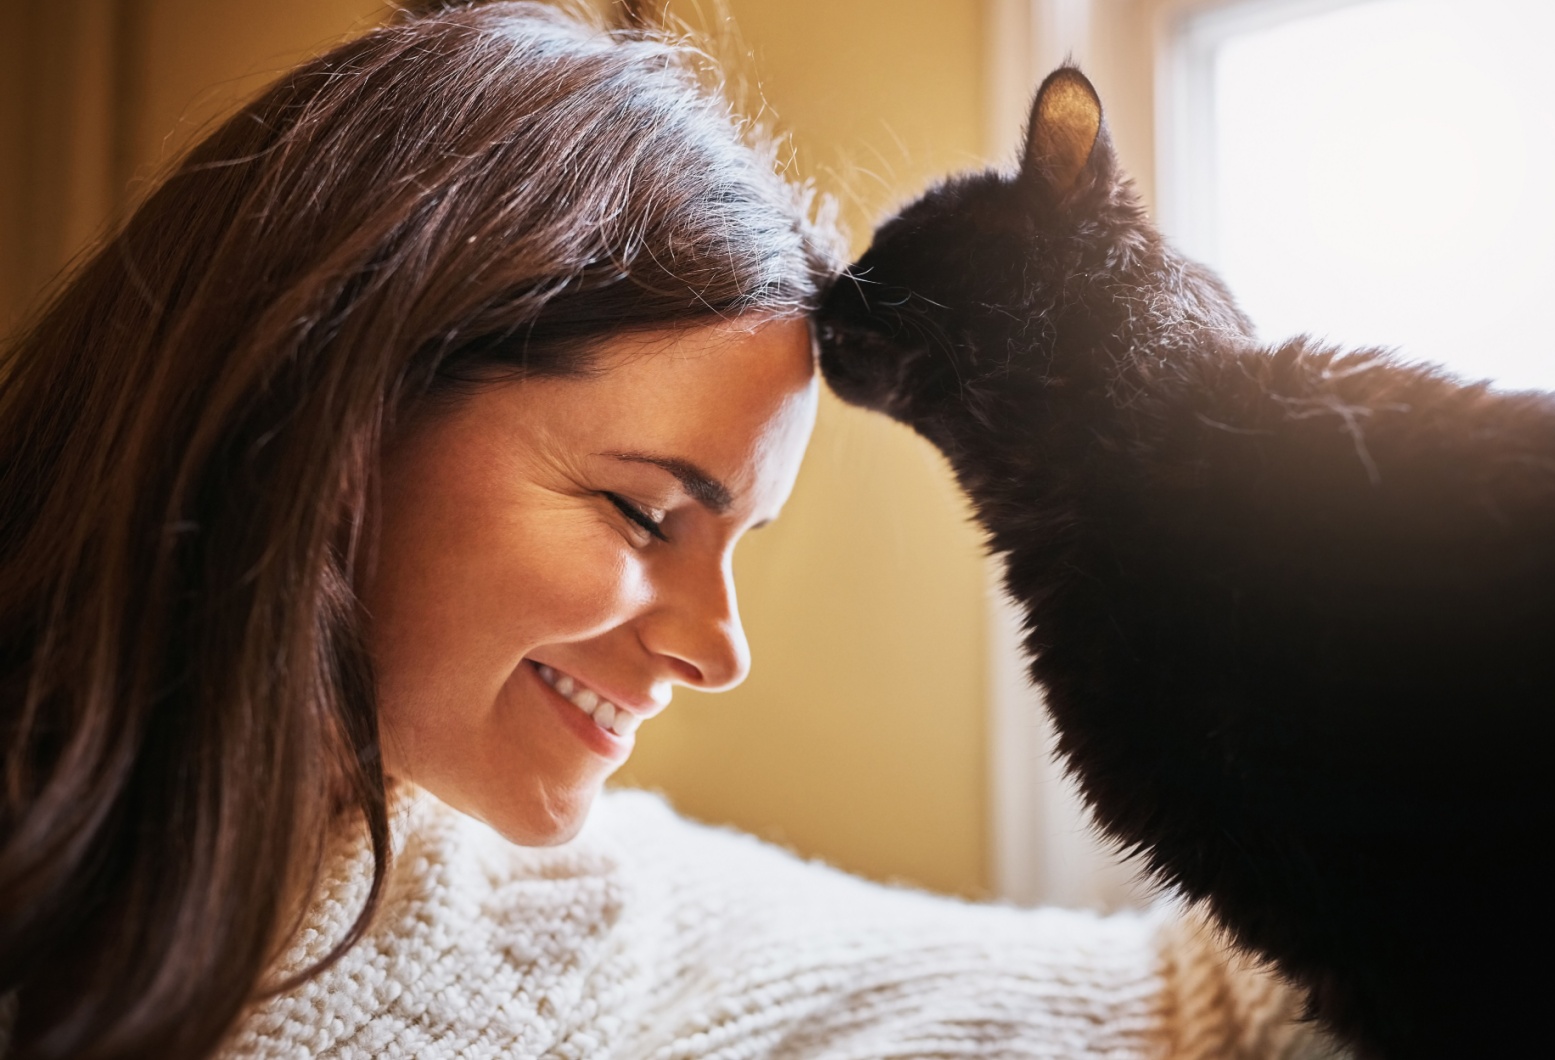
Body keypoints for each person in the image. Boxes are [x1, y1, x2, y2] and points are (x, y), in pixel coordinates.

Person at [0, 3, 1335, 1058]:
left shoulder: (615, 913)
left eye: (740, 539)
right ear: (334, 403)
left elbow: (1192, 1010)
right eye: (645, 511)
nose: (721, 650)